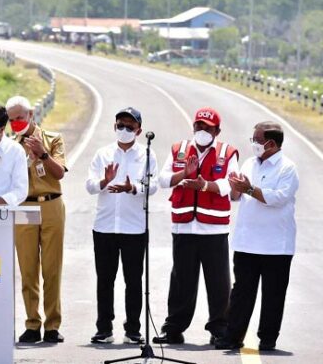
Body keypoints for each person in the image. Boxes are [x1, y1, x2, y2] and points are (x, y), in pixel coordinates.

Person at [154, 107, 239, 345]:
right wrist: (184, 173)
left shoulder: (227, 152)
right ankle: (173, 328)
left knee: (218, 281)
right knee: (181, 279)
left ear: (217, 130)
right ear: (193, 127)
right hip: (184, 227)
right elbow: (162, 180)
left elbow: (229, 186)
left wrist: (204, 185)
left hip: (213, 229)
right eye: (198, 126)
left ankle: (219, 327)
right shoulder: (179, 149)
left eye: (207, 127)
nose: (201, 130)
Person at [215, 122, 299, 351]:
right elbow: (236, 196)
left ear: (271, 144)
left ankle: (268, 338)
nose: (253, 144)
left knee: (273, 295)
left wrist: (249, 189)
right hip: (247, 242)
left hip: (276, 245)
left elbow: (278, 198)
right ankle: (232, 336)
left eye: (256, 140)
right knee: (241, 293)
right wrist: (235, 187)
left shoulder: (287, 168)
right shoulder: (250, 163)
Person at [86, 107, 158, 344]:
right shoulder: (103, 153)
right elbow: (89, 185)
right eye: (120, 125)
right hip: (105, 226)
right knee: (105, 280)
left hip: (134, 228)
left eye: (130, 126)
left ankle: (133, 329)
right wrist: (104, 181)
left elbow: (154, 186)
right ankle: (104, 328)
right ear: (114, 126)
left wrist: (133, 188)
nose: (124, 130)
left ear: (139, 130)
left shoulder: (147, 155)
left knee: (134, 281)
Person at [6, 96, 67, 343]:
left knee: (52, 269)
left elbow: (59, 172)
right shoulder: (9, 146)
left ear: (31, 114)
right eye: (11, 120)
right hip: (23, 206)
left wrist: (42, 155)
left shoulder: (53, 139)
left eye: (19, 117)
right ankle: (32, 323)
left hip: (51, 204)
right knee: (27, 269)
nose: (16, 123)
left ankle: (52, 324)